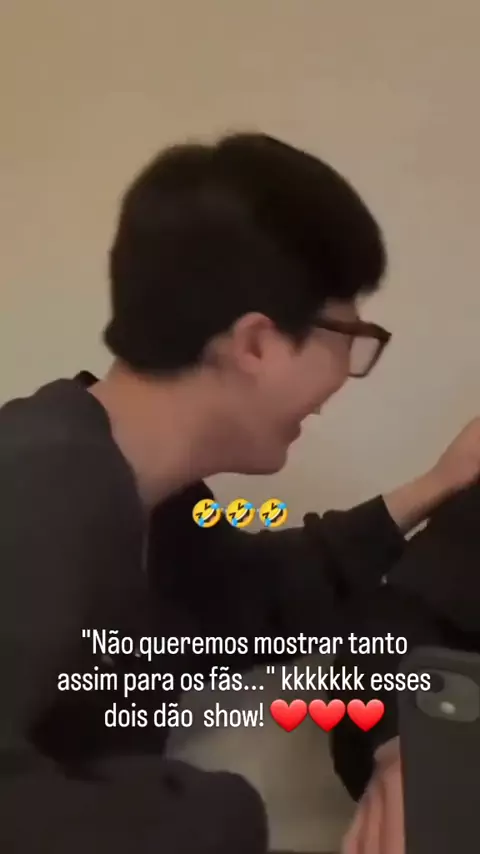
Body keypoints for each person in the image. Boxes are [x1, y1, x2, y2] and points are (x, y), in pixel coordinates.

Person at [2, 131, 480, 853]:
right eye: (348, 338)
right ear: (256, 343)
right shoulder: (39, 487)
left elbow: (256, 595)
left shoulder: (149, 504)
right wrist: (218, 814)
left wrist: (434, 486)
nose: (344, 379)